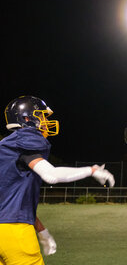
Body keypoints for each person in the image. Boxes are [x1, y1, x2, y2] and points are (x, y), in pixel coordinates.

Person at [0, 95, 115, 265]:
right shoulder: (25, 142)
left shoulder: (8, 149)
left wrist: (41, 230)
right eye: (42, 116)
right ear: (26, 118)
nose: (46, 121)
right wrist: (92, 170)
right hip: (14, 232)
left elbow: (13, 202)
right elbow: (51, 175)